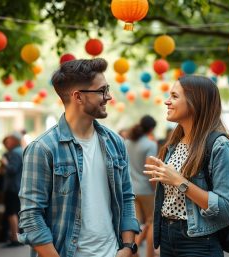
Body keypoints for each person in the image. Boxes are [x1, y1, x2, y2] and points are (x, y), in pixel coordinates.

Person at [18, 58, 140, 257]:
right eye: (102, 90)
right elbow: (31, 217)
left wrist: (127, 248)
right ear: (78, 97)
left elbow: (126, 197)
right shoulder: (43, 149)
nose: (108, 96)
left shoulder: (115, 143)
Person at [144, 76, 229, 257]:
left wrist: (179, 182)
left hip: (199, 241)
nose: (167, 102)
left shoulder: (220, 146)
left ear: (194, 102)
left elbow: (226, 208)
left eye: (174, 96)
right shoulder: (174, 143)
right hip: (168, 236)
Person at [125, 115, 157, 257]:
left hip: (131, 189)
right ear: (151, 129)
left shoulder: (127, 142)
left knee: (136, 224)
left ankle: (133, 252)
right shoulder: (150, 144)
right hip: (146, 189)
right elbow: (150, 169)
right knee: (152, 221)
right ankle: (149, 254)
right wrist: (156, 188)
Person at [0, 132, 24, 247]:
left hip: (13, 187)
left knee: (12, 213)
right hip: (18, 186)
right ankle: (17, 237)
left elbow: (12, 169)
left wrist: (5, 163)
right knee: (16, 212)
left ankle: (15, 238)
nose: (7, 143)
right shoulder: (21, 150)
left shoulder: (15, 153)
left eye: (9, 140)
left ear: (14, 140)